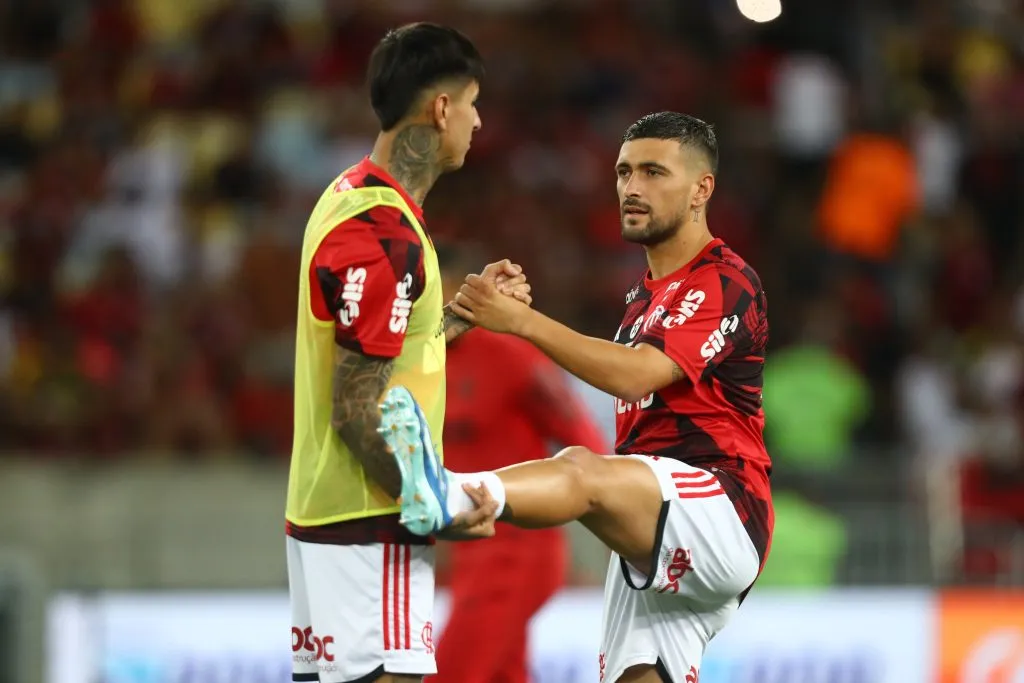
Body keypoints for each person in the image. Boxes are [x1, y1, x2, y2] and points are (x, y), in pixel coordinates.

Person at [380, 112, 774, 683]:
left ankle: (453, 493)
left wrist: (520, 321)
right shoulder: (642, 299)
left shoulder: (724, 279)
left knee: (582, 469)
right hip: (653, 533)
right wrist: (470, 319)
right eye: (623, 172)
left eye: (654, 172)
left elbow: (635, 376)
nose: (632, 188)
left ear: (700, 190)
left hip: (719, 506)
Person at [284, 23, 530, 683]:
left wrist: (459, 316)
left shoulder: (350, 198)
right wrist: (435, 505)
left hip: (324, 517)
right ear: (442, 109)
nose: (478, 122)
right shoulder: (385, 236)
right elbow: (356, 405)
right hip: (372, 525)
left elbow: (380, 356)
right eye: (473, 104)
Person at [432, 243, 608, 683]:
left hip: (516, 553)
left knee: (451, 675)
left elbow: (581, 438)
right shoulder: (423, 363)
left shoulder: (509, 354)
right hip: (471, 554)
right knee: (502, 675)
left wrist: (619, 537)